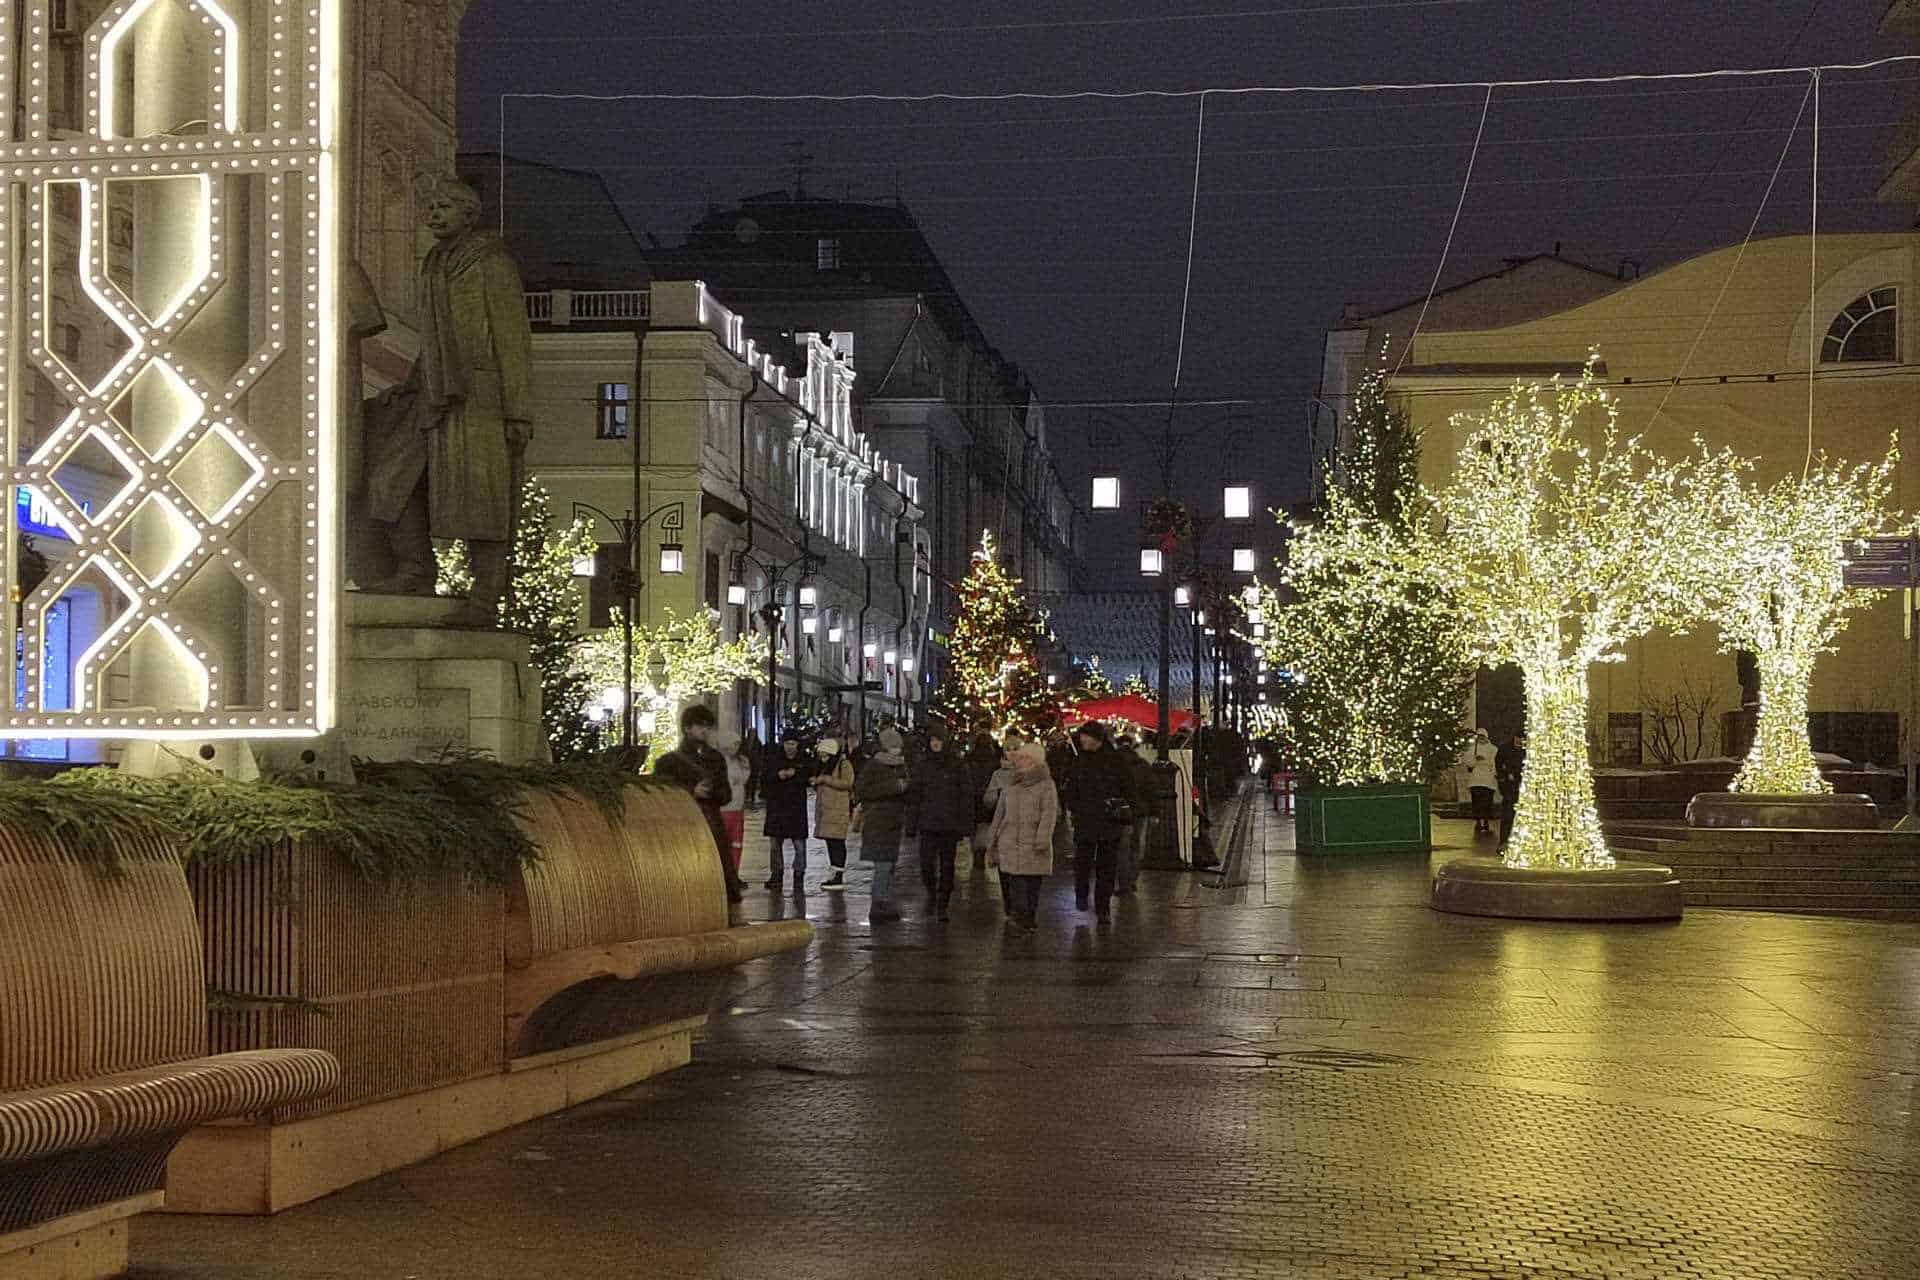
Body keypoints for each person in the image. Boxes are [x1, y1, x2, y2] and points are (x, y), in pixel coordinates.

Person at [650, 704, 743, 903]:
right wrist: (691, 791)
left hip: (711, 823)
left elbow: (726, 794)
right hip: (683, 824)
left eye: (707, 726)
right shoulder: (669, 762)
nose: (704, 730)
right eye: (700, 725)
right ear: (687, 728)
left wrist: (712, 792)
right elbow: (662, 794)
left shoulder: (715, 758)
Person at [1062, 720, 1135, 918]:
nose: (1082, 739)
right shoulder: (1078, 759)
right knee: (1082, 863)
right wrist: (1073, 806)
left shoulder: (1115, 760)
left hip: (1108, 820)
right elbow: (1071, 787)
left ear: (1097, 739)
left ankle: (1103, 906)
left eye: (1086, 736)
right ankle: (1082, 896)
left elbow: (1128, 786)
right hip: (1085, 819)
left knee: (1106, 866)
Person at [987, 741, 1058, 933]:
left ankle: (1028, 919)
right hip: (1009, 842)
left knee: (1032, 886)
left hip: (1034, 844)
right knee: (1016, 885)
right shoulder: (1012, 785)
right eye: (1021, 759)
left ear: (1036, 762)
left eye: (1026, 759)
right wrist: (992, 841)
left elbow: (1049, 814)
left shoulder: (1046, 786)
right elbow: (999, 814)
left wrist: (1043, 838)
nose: (1021, 762)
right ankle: (1018, 919)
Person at [913, 721, 975, 921]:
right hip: (928, 824)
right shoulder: (923, 764)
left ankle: (943, 904)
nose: (935, 743)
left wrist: (965, 825)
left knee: (947, 867)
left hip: (949, 825)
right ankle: (932, 892)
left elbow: (965, 795)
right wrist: (912, 823)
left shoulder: (957, 764)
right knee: (926, 866)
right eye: (932, 740)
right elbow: (916, 794)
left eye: (938, 740)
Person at [854, 726, 913, 923]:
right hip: (878, 822)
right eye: (893, 746)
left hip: (894, 822)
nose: (897, 749)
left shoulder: (900, 765)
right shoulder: (875, 765)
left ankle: (884, 901)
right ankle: (878, 904)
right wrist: (894, 787)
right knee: (883, 865)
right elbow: (862, 790)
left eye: (898, 746)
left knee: (889, 865)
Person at [761, 736, 813, 892]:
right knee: (775, 845)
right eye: (787, 743)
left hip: (796, 809)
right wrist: (778, 775)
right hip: (777, 808)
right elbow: (765, 779)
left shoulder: (804, 761)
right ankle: (776, 875)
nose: (790, 747)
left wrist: (796, 774)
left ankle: (799, 875)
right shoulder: (774, 760)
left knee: (799, 846)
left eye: (793, 743)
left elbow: (809, 778)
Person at [812, 737, 856, 890]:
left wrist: (825, 779)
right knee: (831, 842)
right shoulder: (825, 766)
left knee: (837, 842)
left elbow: (847, 783)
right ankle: (835, 874)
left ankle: (838, 876)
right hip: (826, 811)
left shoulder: (844, 764)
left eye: (825, 755)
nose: (823, 758)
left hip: (838, 810)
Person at [718, 734, 751, 892]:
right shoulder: (718, 762)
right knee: (725, 844)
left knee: (736, 845)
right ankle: (724, 875)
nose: (735, 748)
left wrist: (746, 768)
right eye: (733, 745)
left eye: (738, 745)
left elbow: (742, 781)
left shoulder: (739, 761)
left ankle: (734, 874)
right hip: (724, 809)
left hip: (738, 808)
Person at [966, 731, 1002, 866]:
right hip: (990, 798)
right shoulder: (996, 759)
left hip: (974, 798)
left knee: (975, 828)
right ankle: (991, 853)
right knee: (991, 826)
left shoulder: (970, 759)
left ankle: (978, 855)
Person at [1461, 727, 1498, 836]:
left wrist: (1494, 773)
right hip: (1476, 778)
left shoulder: (1493, 749)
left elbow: (1495, 762)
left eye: (1482, 737)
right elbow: (1468, 762)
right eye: (1479, 737)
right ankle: (1478, 820)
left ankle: (1486, 820)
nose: (1481, 739)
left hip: (1488, 777)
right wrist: (1475, 760)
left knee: (1487, 801)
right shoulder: (1472, 749)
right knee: (1476, 801)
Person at [1496, 731, 1527, 849]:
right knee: (1508, 815)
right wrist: (1504, 777)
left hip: (1522, 785)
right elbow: (1499, 765)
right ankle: (1504, 841)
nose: (1520, 742)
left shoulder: (1525, 751)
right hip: (1509, 787)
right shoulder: (1505, 749)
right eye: (1518, 739)